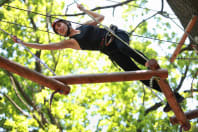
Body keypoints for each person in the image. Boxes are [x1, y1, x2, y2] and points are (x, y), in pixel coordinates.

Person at [12, 4, 183, 112]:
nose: (60, 29)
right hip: (111, 52)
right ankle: (174, 96)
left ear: (66, 23)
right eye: (57, 29)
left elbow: (100, 18)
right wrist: (25, 43)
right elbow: (49, 47)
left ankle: (147, 62)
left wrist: (84, 9)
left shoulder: (84, 26)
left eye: (60, 25)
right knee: (137, 75)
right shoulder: (71, 42)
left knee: (124, 48)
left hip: (115, 37)